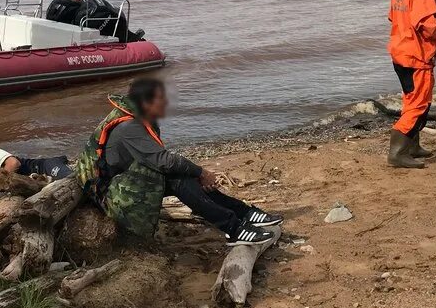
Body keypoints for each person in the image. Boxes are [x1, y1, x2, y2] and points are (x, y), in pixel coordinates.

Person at [71, 77, 282, 245]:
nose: (166, 103)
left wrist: (195, 173)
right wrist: (201, 172)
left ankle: (242, 215)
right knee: (178, 178)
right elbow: (164, 162)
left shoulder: (137, 117)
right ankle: (234, 228)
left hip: (124, 183)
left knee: (183, 175)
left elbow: (162, 161)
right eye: (161, 99)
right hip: (109, 197)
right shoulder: (129, 128)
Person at [387, 0, 436, 169]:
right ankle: (397, 153)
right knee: (419, 104)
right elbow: (430, 29)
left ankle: (412, 146)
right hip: (416, 58)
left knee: (410, 100)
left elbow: (392, 18)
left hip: (400, 53)